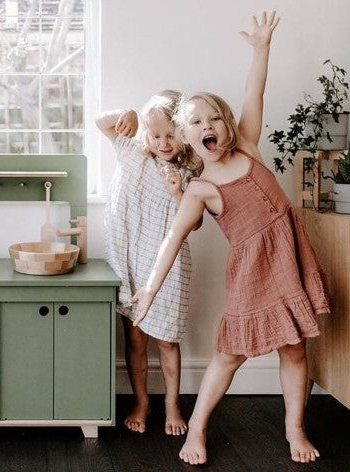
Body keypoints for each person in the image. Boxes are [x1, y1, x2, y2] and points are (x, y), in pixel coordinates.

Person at [132, 11, 330, 464]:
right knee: (229, 354)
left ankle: (293, 428)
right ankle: (196, 430)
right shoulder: (201, 190)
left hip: (289, 258)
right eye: (197, 122)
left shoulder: (249, 147)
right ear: (185, 138)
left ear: (226, 125)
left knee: (296, 348)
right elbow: (172, 240)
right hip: (253, 272)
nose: (209, 126)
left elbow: (253, 91)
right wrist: (149, 288)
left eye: (215, 118)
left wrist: (261, 49)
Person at [96, 91, 202, 435]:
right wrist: (127, 111)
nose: (163, 142)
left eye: (171, 135)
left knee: (168, 340)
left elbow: (196, 223)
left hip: (168, 265)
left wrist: (177, 193)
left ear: (184, 133)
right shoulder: (133, 154)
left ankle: (172, 404)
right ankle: (142, 401)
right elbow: (102, 122)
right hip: (131, 259)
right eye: (156, 135)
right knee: (136, 337)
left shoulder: (190, 171)